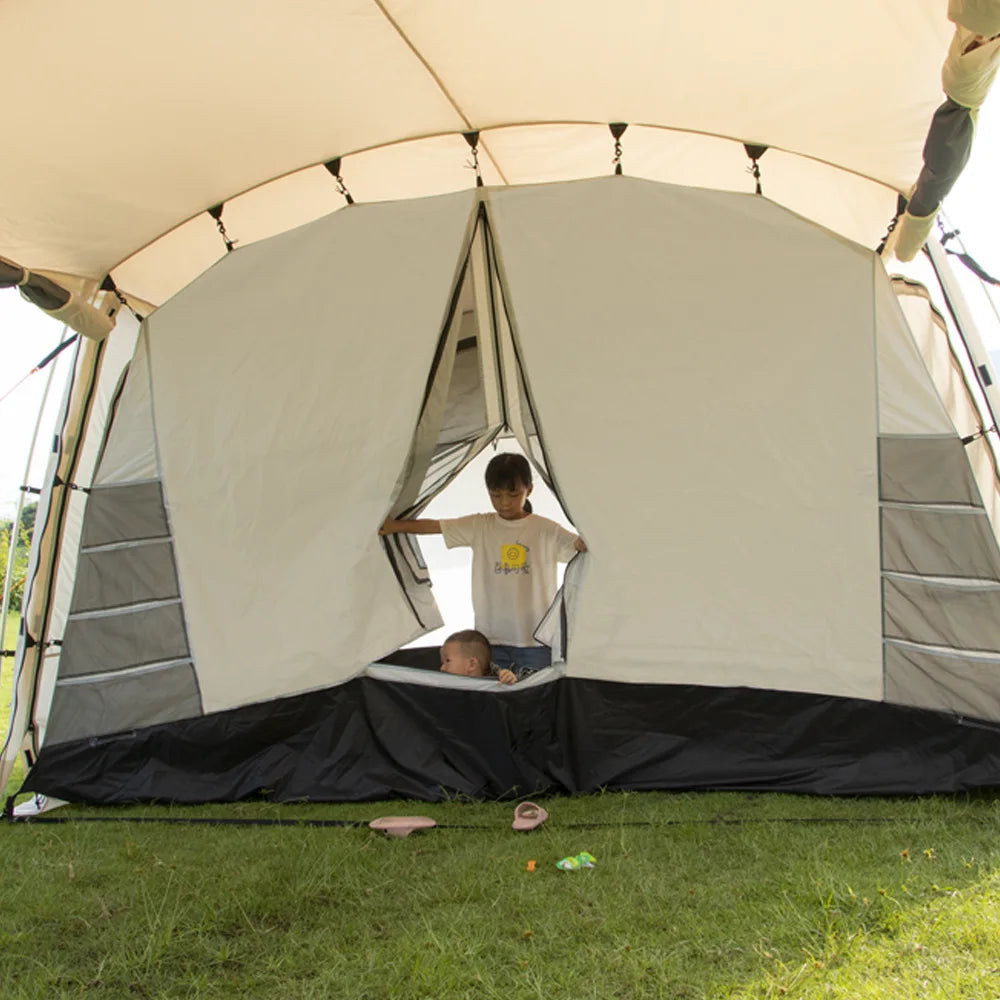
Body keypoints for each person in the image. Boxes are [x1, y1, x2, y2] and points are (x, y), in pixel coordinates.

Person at [381, 453, 586, 675]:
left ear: (529, 489)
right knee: (494, 700)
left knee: (534, 701)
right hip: (490, 641)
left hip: (535, 641)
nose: (504, 503)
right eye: (496, 495)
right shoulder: (481, 525)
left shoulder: (546, 530)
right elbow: (435, 526)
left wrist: (589, 537)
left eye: (513, 494)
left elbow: (579, 547)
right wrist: (395, 526)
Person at [439, 629, 517, 685]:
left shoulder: (496, 683)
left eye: (447, 661)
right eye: (442, 662)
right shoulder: (445, 686)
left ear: (472, 664)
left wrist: (508, 679)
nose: (441, 668)